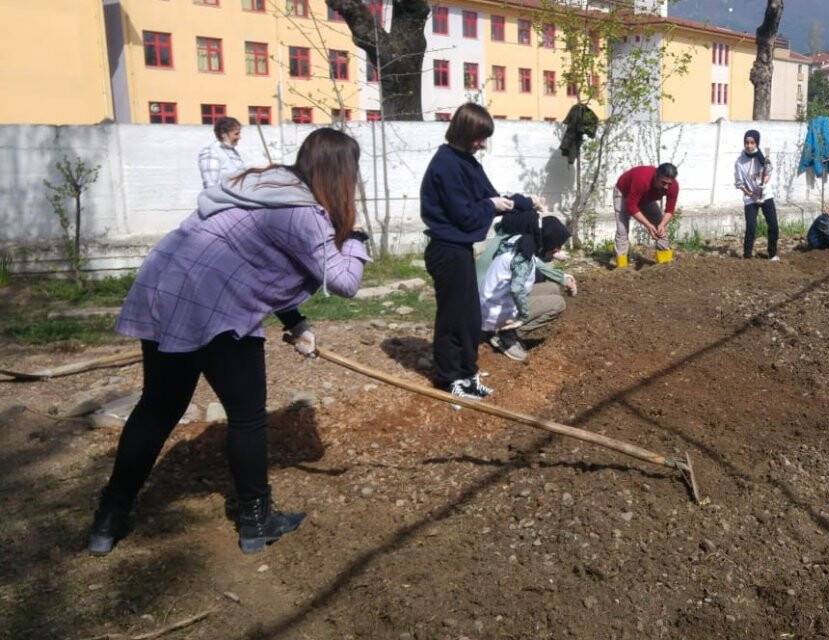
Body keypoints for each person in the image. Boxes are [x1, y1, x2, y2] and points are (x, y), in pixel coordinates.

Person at [91, 128, 370, 556]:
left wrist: (295, 321)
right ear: (340, 174)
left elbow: (251, 254)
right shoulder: (304, 212)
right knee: (246, 416)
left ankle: (109, 519)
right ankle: (257, 522)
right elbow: (345, 282)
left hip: (165, 286)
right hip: (210, 300)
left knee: (158, 407)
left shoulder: (266, 184)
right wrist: (356, 239)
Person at [420, 102, 516, 400]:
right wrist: (491, 205)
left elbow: (491, 195)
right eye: (479, 137)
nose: (482, 144)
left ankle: (467, 371)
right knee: (453, 316)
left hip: (460, 249)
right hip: (446, 250)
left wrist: (525, 203)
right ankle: (449, 377)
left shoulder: (467, 161)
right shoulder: (446, 164)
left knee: (470, 317)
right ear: (463, 131)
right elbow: (466, 214)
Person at [479, 213, 572, 362]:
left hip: (495, 297)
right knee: (558, 303)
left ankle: (506, 329)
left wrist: (562, 278)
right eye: (556, 246)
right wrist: (522, 316)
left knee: (552, 288)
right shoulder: (523, 255)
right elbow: (517, 289)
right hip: (495, 308)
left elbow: (536, 262)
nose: (557, 249)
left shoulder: (520, 241)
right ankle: (506, 335)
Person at [613, 163, 679, 268]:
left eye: (669, 183)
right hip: (624, 193)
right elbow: (631, 206)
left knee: (660, 228)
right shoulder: (642, 179)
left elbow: (670, 210)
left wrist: (662, 224)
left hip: (646, 198)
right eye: (663, 183)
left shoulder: (673, 186)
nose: (666, 187)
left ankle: (665, 264)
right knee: (622, 230)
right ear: (656, 176)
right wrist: (648, 225)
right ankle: (622, 268)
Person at [735, 129, 779, 261]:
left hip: (766, 195)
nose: (749, 145)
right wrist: (751, 194)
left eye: (752, 143)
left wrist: (764, 182)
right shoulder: (739, 162)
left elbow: (768, 172)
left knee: (773, 225)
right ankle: (747, 255)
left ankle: (772, 253)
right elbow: (739, 183)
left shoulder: (763, 159)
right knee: (751, 227)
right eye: (746, 142)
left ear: (757, 143)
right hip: (750, 197)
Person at [198, 117, 247, 188]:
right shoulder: (211, 151)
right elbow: (211, 186)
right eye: (236, 134)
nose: (239, 137)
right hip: (223, 198)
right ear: (223, 134)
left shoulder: (233, 152)